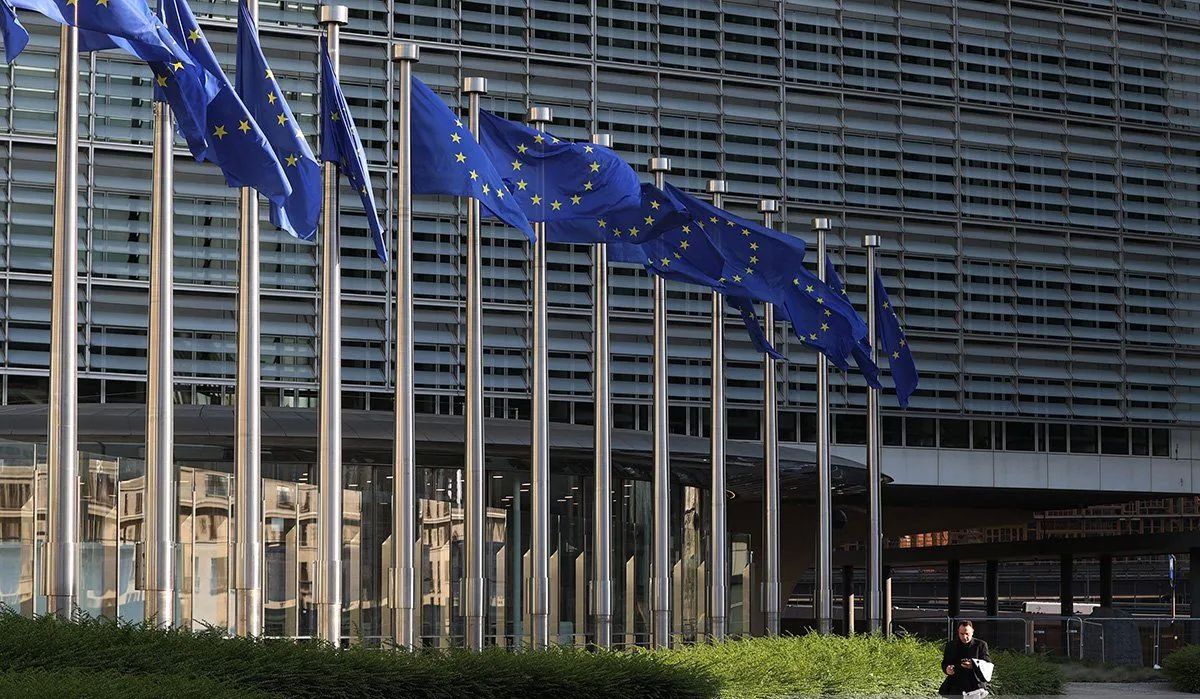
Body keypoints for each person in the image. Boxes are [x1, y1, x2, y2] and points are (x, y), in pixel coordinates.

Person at [939, 620, 992, 697]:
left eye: (967, 634)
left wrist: (973, 665)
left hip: (974, 685)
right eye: (962, 634)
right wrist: (947, 669)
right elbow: (945, 663)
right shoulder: (951, 645)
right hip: (956, 685)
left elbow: (987, 664)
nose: (964, 637)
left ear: (972, 632)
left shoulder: (981, 645)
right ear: (958, 632)